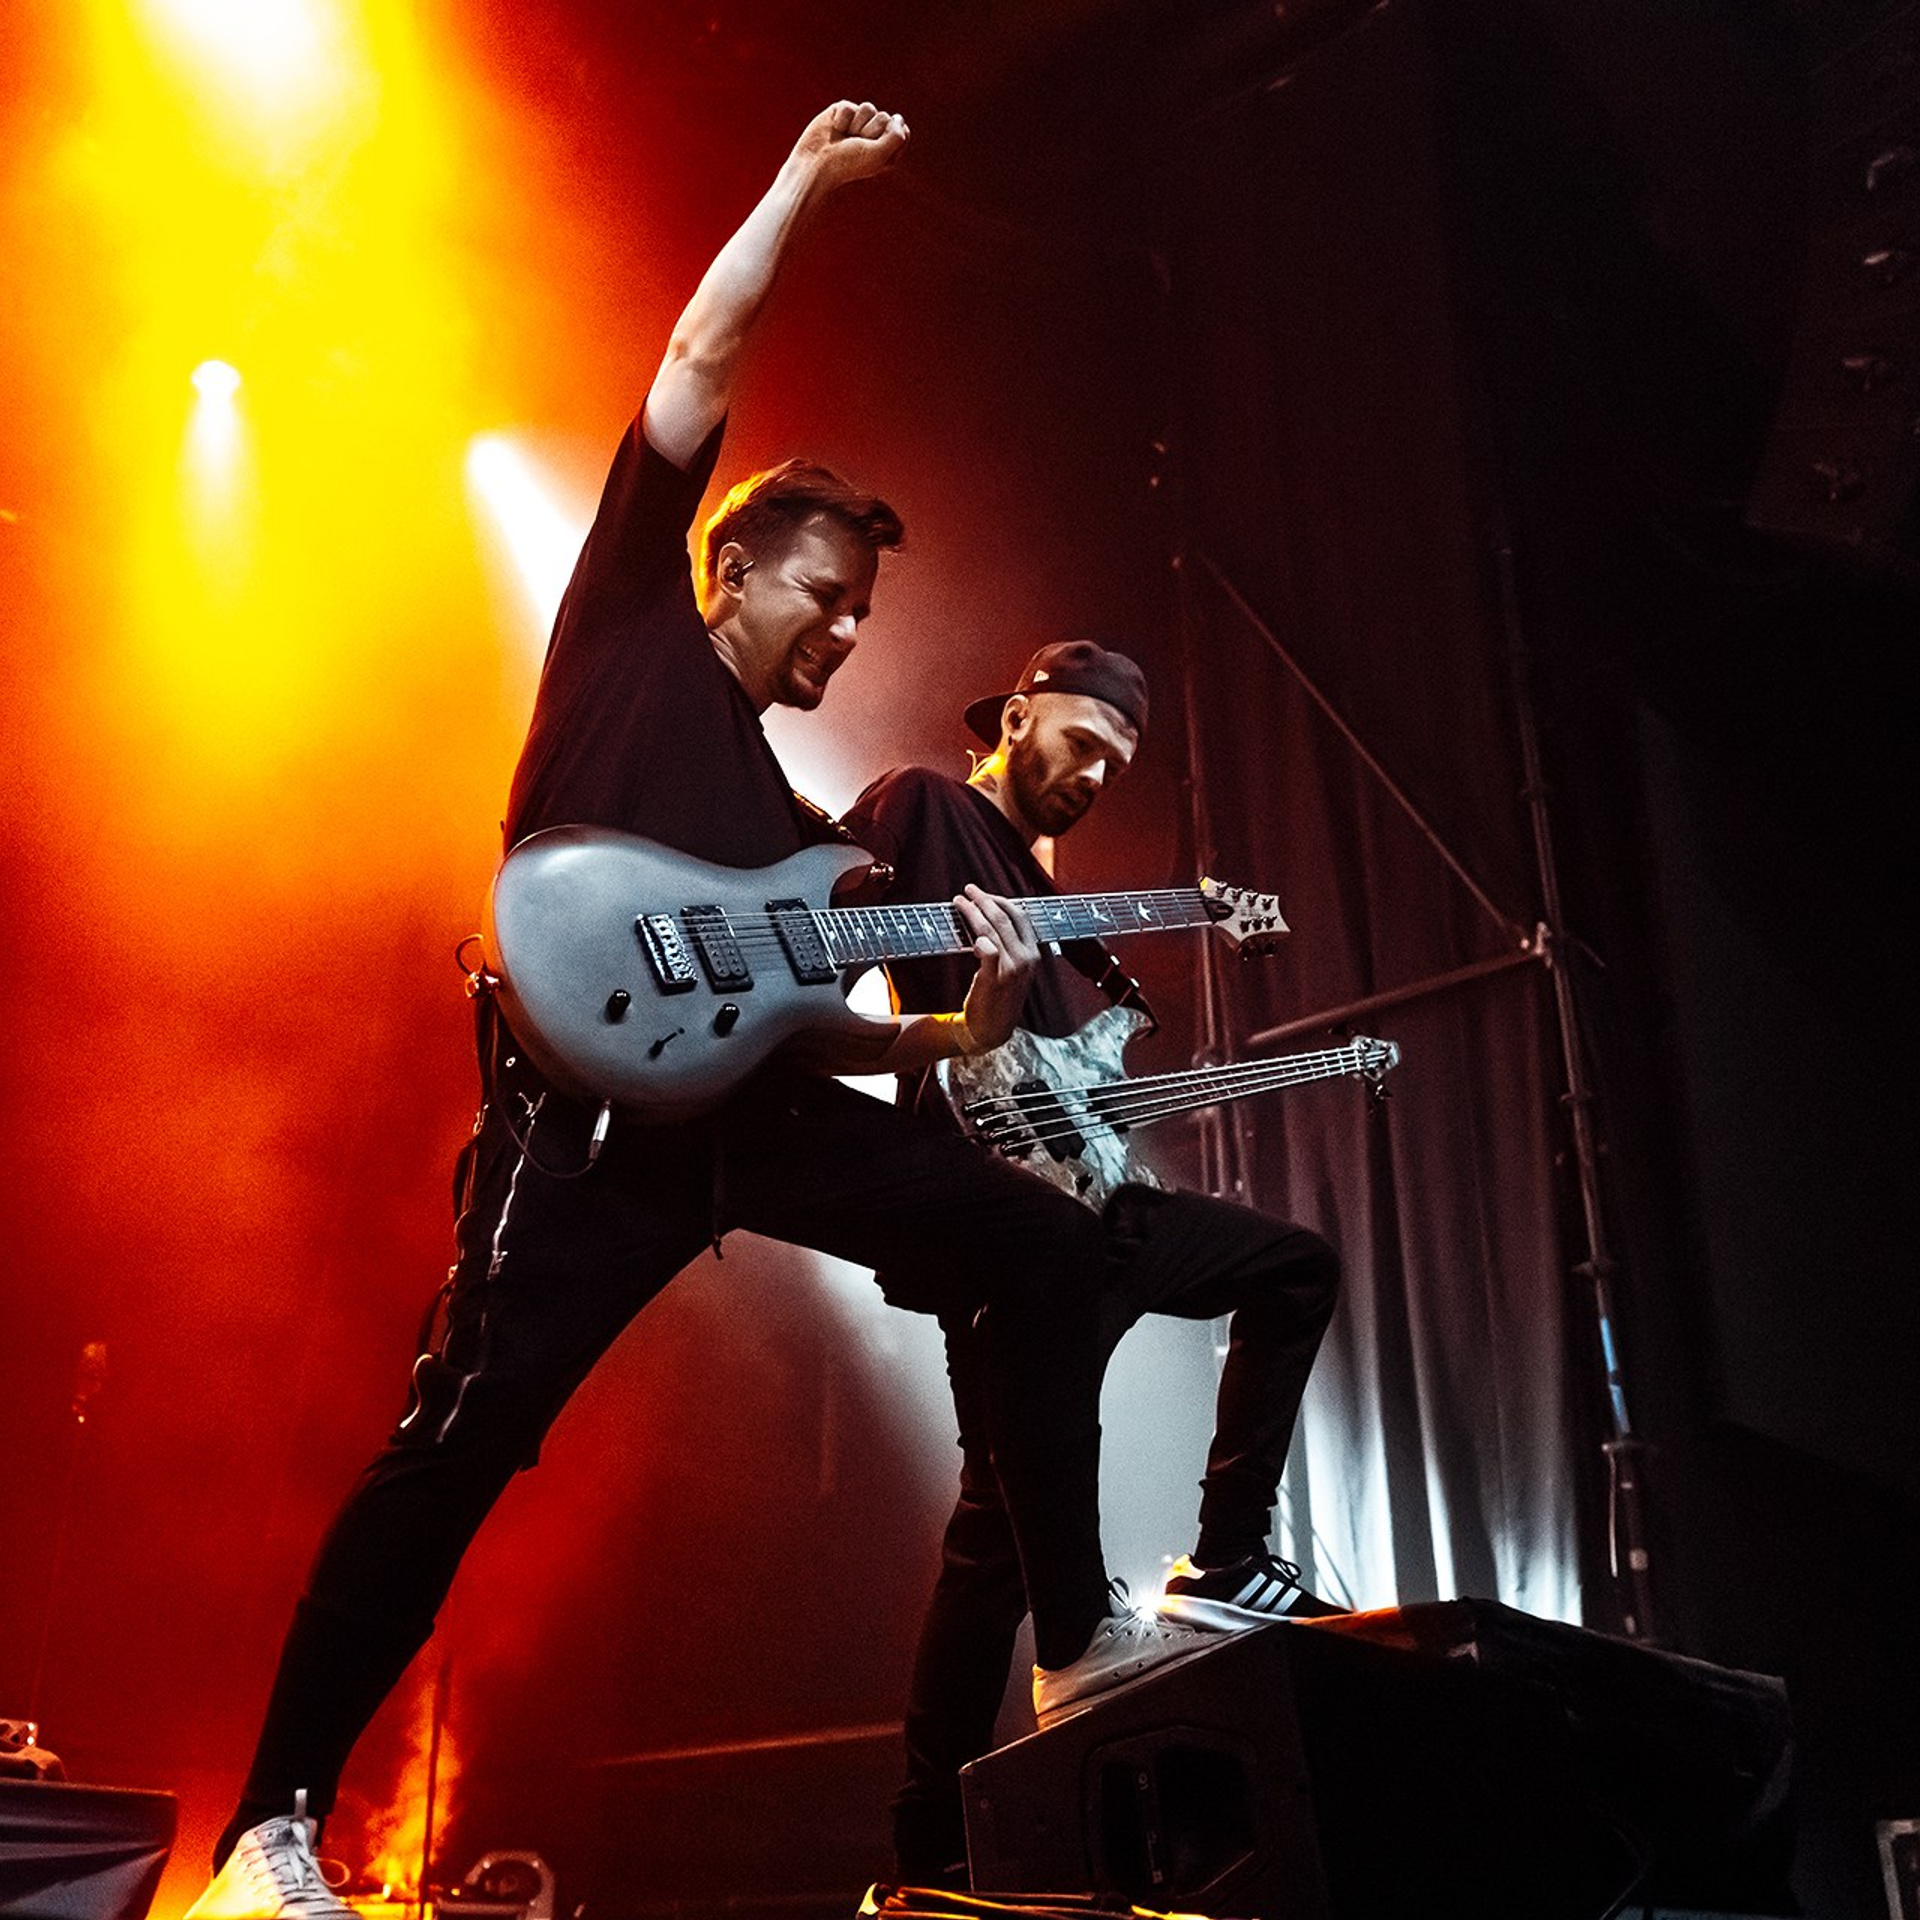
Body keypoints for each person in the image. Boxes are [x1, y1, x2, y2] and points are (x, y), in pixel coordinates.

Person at [185, 108, 1211, 1920]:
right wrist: (806, 186)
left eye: (865, 612)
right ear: (735, 573)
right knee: (459, 1444)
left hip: (746, 1133)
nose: (845, 633)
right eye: (828, 596)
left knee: (1063, 1242)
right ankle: (272, 1826)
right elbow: (699, 354)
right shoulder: (626, 636)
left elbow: (831, 1034)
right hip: (580, 1146)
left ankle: (1073, 1633)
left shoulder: (801, 848)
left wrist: (959, 1028)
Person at [841, 640, 1345, 1889]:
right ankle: (926, 1858)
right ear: (1017, 718)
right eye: (1080, 744)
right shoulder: (931, 806)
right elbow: (828, 896)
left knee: (1295, 1268)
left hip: (1099, 1210)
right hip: (1004, 1227)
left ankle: (1227, 1559)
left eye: (1120, 765)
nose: (1095, 776)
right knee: (995, 1547)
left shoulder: (1066, 912)